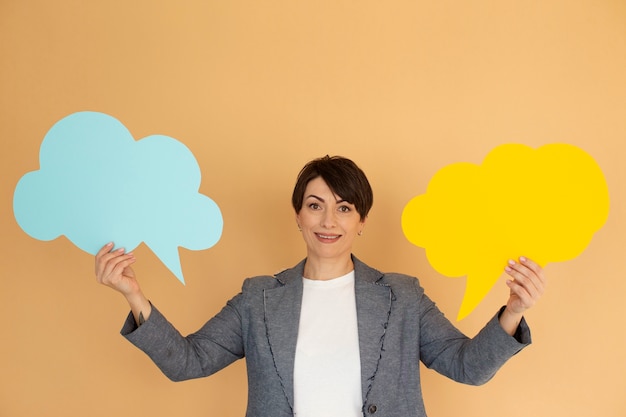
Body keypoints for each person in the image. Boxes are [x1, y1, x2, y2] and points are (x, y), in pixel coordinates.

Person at [95, 155, 546, 417]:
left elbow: (466, 366)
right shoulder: (258, 298)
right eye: (315, 205)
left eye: (344, 208)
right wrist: (134, 295)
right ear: (297, 215)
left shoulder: (402, 296)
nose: (329, 221)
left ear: (362, 220)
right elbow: (187, 362)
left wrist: (513, 310)